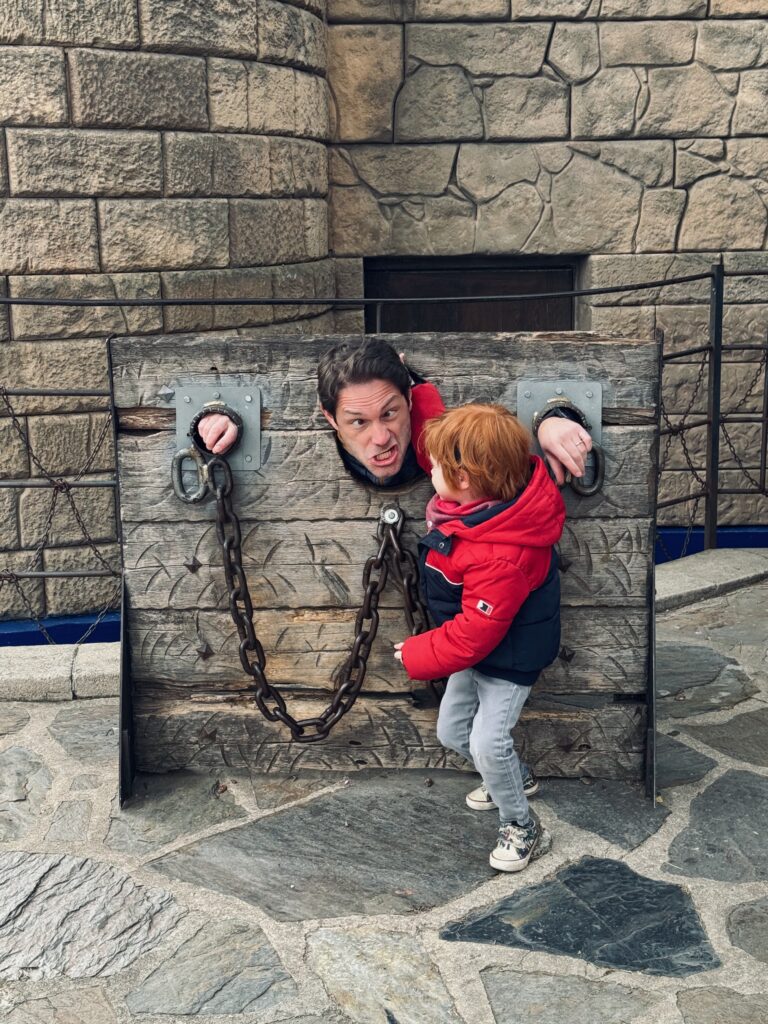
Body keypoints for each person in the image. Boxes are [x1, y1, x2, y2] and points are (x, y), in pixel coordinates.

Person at [394, 403, 565, 872]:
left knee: (488, 744)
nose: (428, 469)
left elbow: (475, 633)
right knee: (453, 733)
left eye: (435, 466)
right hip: (477, 651)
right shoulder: (476, 509)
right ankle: (512, 778)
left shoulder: (503, 553)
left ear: (465, 478)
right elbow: (443, 426)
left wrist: (416, 652)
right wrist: (414, 388)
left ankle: (524, 826)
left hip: (505, 661)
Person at [195, 337, 593, 485]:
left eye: (390, 414)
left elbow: (493, 455)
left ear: (410, 400)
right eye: (358, 422)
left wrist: (552, 420)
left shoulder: (433, 436)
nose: (381, 438)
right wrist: (208, 423)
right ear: (329, 418)